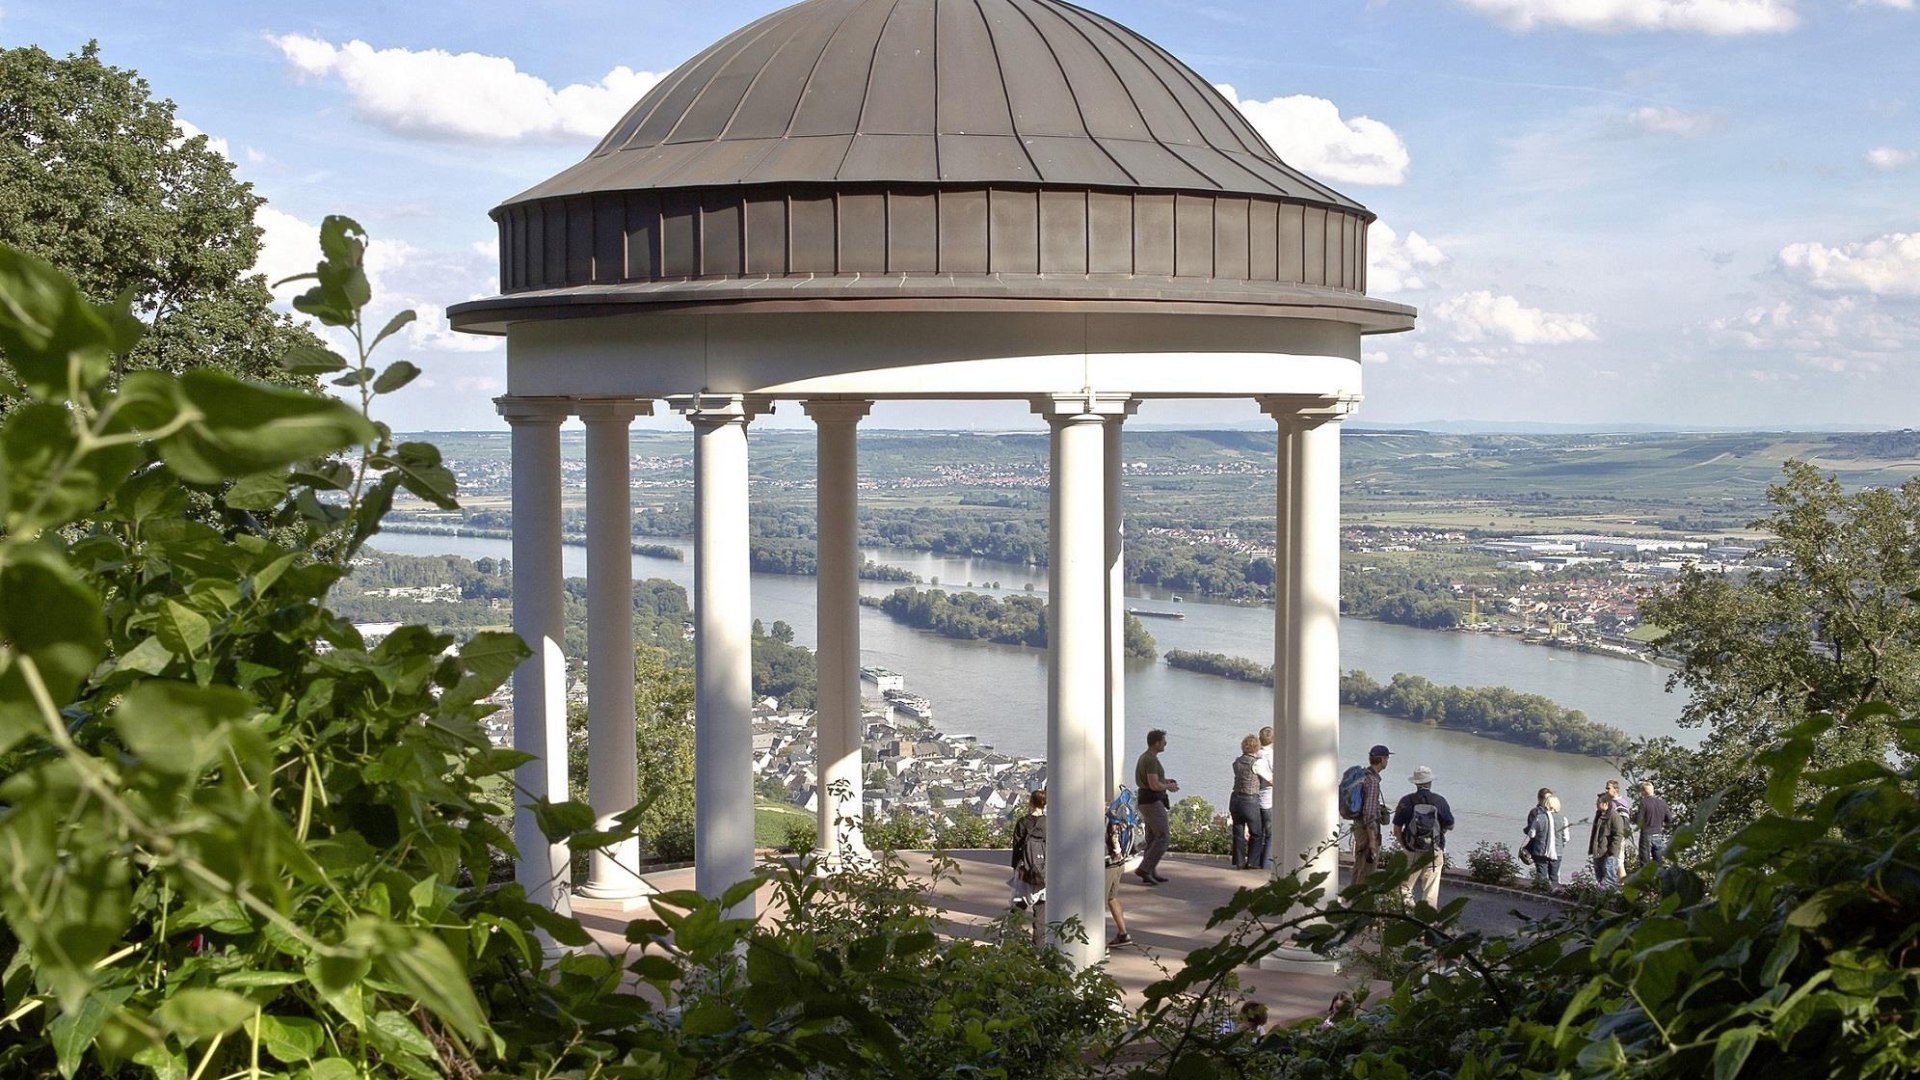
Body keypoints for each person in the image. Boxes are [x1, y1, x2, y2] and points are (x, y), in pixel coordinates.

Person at [1391, 765, 1454, 908]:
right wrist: (1438, 834)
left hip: (1412, 850)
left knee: (1405, 888)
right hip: (1434, 851)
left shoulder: (1406, 801)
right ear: (1430, 782)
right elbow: (1450, 824)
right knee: (1430, 891)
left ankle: (1405, 918)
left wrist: (1405, 845)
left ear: (1415, 783)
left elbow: (1396, 829)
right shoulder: (1440, 801)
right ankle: (1427, 922)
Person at [1134, 729, 1179, 884]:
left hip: (1145, 800)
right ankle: (1145, 869)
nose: (1165, 744)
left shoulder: (1146, 757)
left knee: (1153, 838)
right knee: (1164, 837)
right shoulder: (1151, 760)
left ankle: (1150, 872)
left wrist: (1166, 781)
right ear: (1157, 743)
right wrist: (1168, 787)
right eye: (1163, 741)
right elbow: (1153, 785)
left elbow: (1154, 779)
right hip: (1151, 801)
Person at [1010, 789, 1048, 946]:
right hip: (1043, 873)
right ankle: (1039, 946)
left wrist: (1016, 868)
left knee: (1018, 909)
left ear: (1031, 802)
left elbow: (1017, 848)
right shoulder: (1048, 823)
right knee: (1040, 912)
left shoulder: (1023, 823)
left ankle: (1011, 940)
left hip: (1025, 872)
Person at [1351, 744, 1391, 885]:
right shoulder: (1373, 781)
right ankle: (1360, 902)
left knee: (1359, 867)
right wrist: (1372, 841)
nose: (1387, 761)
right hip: (1367, 831)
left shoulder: (1362, 776)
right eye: (1386, 758)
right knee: (1367, 872)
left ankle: (1350, 901)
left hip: (1358, 827)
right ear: (1381, 759)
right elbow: (1368, 813)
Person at [1229, 734, 1265, 870]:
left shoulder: (1237, 761)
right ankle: (1252, 862)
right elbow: (1267, 777)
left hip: (1235, 798)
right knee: (1256, 833)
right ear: (1256, 747)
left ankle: (1239, 861)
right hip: (1250, 799)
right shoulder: (1257, 763)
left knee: (1238, 831)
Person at [1522, 788, 1571, 888]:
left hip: (1540, 850)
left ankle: (1541, 892)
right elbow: (1566, 838)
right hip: (1557, 852)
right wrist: (1559, 845)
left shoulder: (1539, 817)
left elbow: (1531, 834)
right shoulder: (1563, 819)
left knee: (1541, 874)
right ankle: (1554, 892)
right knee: (1554, 876)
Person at [1104, 793, 1134, 948]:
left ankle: (1096, 945)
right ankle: (1123, 934)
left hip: (1108, 864)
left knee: (1097, 902)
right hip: (1119, 864)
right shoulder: (1118, 816)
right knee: (1111, 898)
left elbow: (1112, 839)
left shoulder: (1107, 820)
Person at [1588, 791, 1627, 889]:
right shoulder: (1599, 815)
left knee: (1610, 878)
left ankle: (1611, 898)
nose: (1596, 805)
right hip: (1598, 851)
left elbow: (1618, 835)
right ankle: (1600, 896)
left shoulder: (1614, 817)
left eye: (1598, 803)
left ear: (1605, 804)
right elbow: (1595, 834)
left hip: (1608, 853)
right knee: (1600, 877)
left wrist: (1612, 852)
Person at [1633, 780, 1674, 867]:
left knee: (1645, 864)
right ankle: (1659, 879)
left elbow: (1639, 820)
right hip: (1658, 834)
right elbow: (1669, 819)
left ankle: (1646, 880)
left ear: (1643, 792)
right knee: (1658, 863)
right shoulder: (1662, 803)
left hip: (1646, 835)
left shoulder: (1644, 803)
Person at [1255, 726, 1275, 870]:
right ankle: (1266, 866)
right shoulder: (1271, 756)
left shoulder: (1256, 754)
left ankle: (1256, 862)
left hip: (1257, 798)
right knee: (1270, 835)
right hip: (1269, 800)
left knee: (1260, 834)